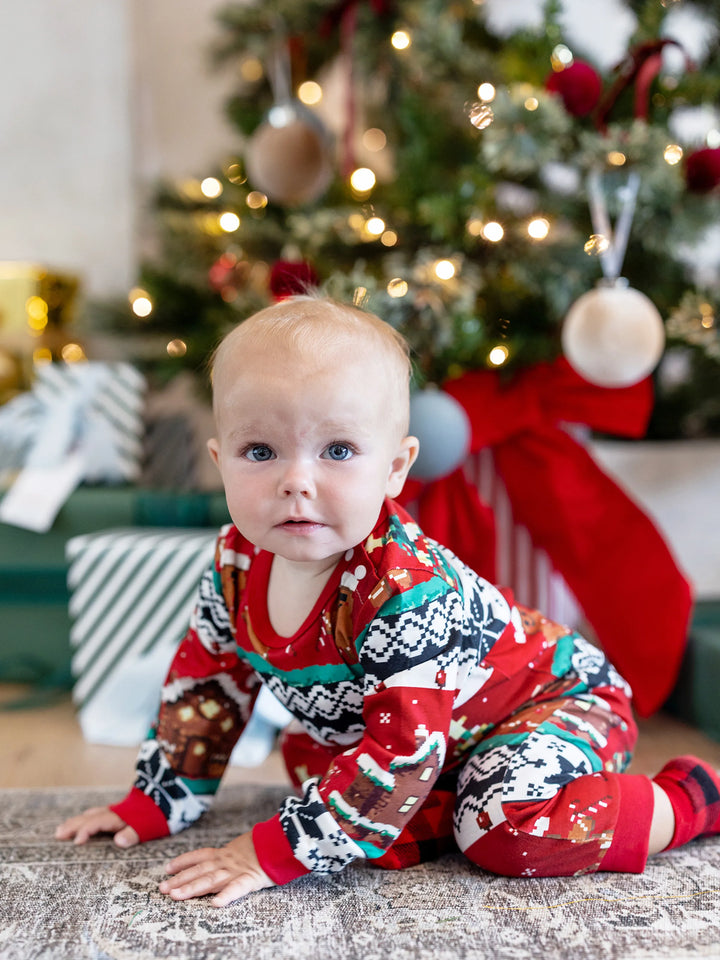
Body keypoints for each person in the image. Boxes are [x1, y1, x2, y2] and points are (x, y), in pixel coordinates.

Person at [56, 295, 720, 907]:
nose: (296, 481)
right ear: (220, 459)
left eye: (338, 450)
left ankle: (689, 798)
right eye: (259, 450)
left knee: (502, 830)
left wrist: (273, 853)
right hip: (440, 735)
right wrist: (153, 802)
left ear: (396, 469)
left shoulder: (402, 590)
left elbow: (401, 750)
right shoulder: (236, 561)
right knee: (315, 759)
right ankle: (431, 807)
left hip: (562, 706)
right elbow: (205, 686)